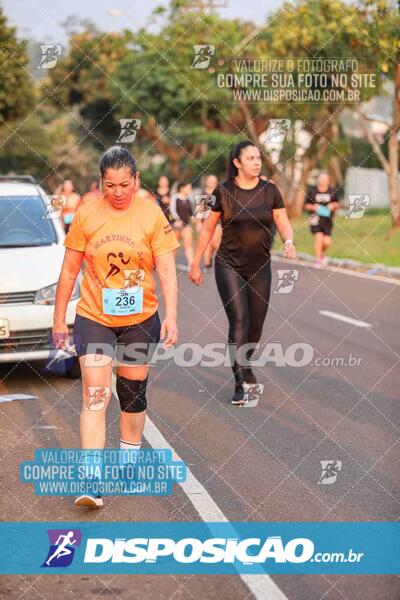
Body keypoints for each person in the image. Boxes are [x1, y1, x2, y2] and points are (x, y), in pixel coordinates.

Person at [52, 146, 180, 508]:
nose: (119, 192)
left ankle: (129, 460)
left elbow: (168, 272)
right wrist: (59, 319)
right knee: (95, 393)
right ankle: (91, 479)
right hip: (95, 316)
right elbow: (68, 271)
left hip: (141, 318)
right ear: (101, 182)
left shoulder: (152, 215)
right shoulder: (87, 214)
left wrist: (172, 315)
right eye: (111, 185)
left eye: (125, 184)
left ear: (137, 180)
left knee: (131, 393)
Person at [189, 140, 296, 406]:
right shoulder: (223, 191)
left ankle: (246, 364)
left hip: (260, 265)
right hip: (229, 265)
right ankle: (239, 382)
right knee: (239, 319)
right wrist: (196, 261)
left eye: (258, 157)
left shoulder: (270, 191)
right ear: (237, 162)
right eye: (250, 158)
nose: (257, 162)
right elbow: (208, 229)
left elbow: (282, 219)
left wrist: (289, 241)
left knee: (256, 324)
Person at [304, 172, 340, 267]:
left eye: (325, 179)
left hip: (327, 221)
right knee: (318, 238)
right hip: (315, 219)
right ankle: (318, 260)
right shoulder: (312, 191)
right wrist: (314, 207)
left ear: (328, 181)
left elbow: (337, 204)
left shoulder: (332, 191)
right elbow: (306, 205)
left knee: (327, 242)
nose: (323, 181)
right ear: (318, 180)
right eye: (321, 179)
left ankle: (321, 254)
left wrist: (332, 205)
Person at [198, 174, 222, 270]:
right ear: (206, 182)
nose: (211, 182)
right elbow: (199, 209)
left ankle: (220, 262)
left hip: (217, 223)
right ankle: (207, 264)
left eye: (213, 180)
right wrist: (199, 223)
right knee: (206, 243)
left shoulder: (219, 193)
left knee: (216, 243)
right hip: (205, 223)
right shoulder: (203, 193)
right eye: (210, 180)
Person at [170, 182, 194, 267]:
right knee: (174, 246)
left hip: (186, 225)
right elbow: (172, 210)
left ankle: (191, 264)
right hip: (176, 226)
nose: (189, 190)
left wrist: (194, 219)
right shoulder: (175, 197)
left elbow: (191, 212)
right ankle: (171, 264)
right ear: (182, 188)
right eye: (188, 188)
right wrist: (177, 220)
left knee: (189, 244)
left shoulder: (189, 199)